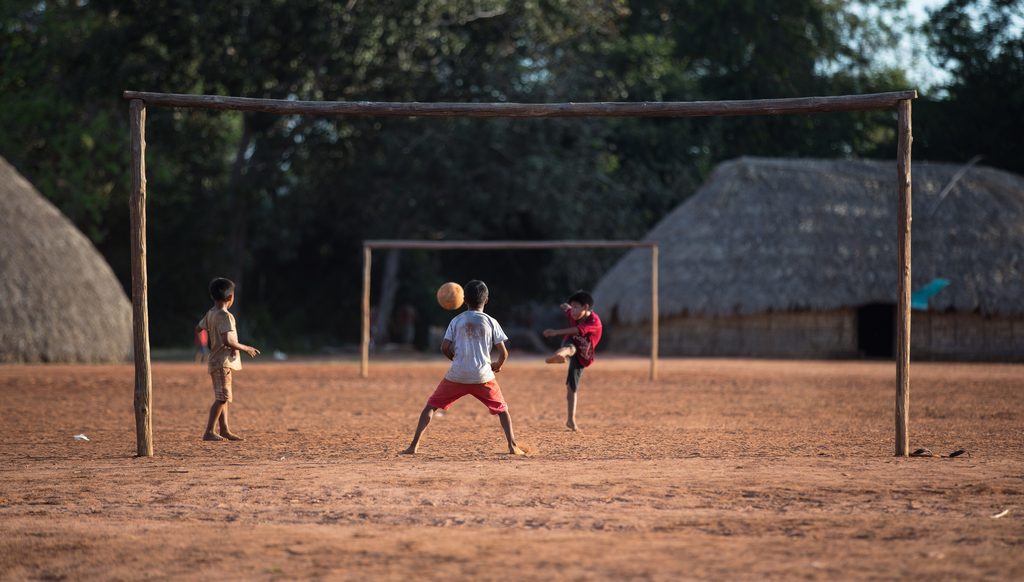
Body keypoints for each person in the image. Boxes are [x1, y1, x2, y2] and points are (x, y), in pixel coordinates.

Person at [401, 280, 525, 455]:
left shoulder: (456, 320)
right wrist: (496, 365)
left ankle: (413, 446)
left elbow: (444, 347)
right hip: (483, 376)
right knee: (503, 410)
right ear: (487, 300)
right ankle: (512, 446)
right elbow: (503, 353)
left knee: (430, 407)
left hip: (456, 375)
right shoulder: (491, 321)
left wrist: (456, 360)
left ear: (464, 299)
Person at [196, 277, 260, 441]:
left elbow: (198, 328)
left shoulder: (211, 313)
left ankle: (224, 429)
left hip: (215, 360)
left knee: (222, 396)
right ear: (230, 297)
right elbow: (228, 340)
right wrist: (246, 348)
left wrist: (212, 332)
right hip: (222, 361)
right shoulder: (226, 316)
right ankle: (209, 431)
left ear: (213, 296)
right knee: (222, 397)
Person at [543, 290, 603, 431]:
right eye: (573, 307)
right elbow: (568, 310)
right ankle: (559, 356)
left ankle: (570, 420)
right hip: (572, 343)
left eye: (577, 307)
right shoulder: (573, 312)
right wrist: (566, 306)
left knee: (572, 388)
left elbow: (576, 330)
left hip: (584, 353)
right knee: (570, 347)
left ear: (586, 308)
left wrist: (555, 332)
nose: (573, 311)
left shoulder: (594, 322)